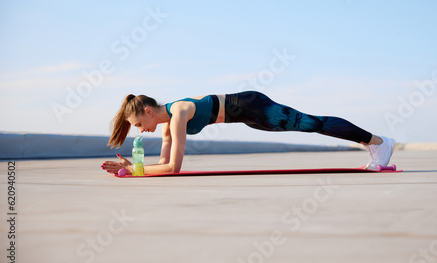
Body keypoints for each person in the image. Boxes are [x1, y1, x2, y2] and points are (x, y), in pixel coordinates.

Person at [101, 91, 395, 175]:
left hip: (252, 106)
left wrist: (135, 171)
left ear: (148, 112)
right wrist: (135, 167)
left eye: (138, 124)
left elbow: (173, 167)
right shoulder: (168, 124)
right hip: (247, 117)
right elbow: (165, 165)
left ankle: (379, 142)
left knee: (313, 123)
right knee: (312, 124)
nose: (141, 130)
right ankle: (376, 145)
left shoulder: (177, 114)